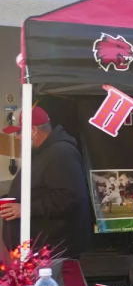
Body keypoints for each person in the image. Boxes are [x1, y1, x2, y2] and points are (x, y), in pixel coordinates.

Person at [1, 106, 91, 256]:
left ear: (34, 130)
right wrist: (10, 201)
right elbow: (38, 190)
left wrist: (25, 208)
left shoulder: (60, 153)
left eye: (19, 132)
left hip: (53, 251)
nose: (17, 137)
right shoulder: (43, 152)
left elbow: (69, 197)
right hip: (40, 250)